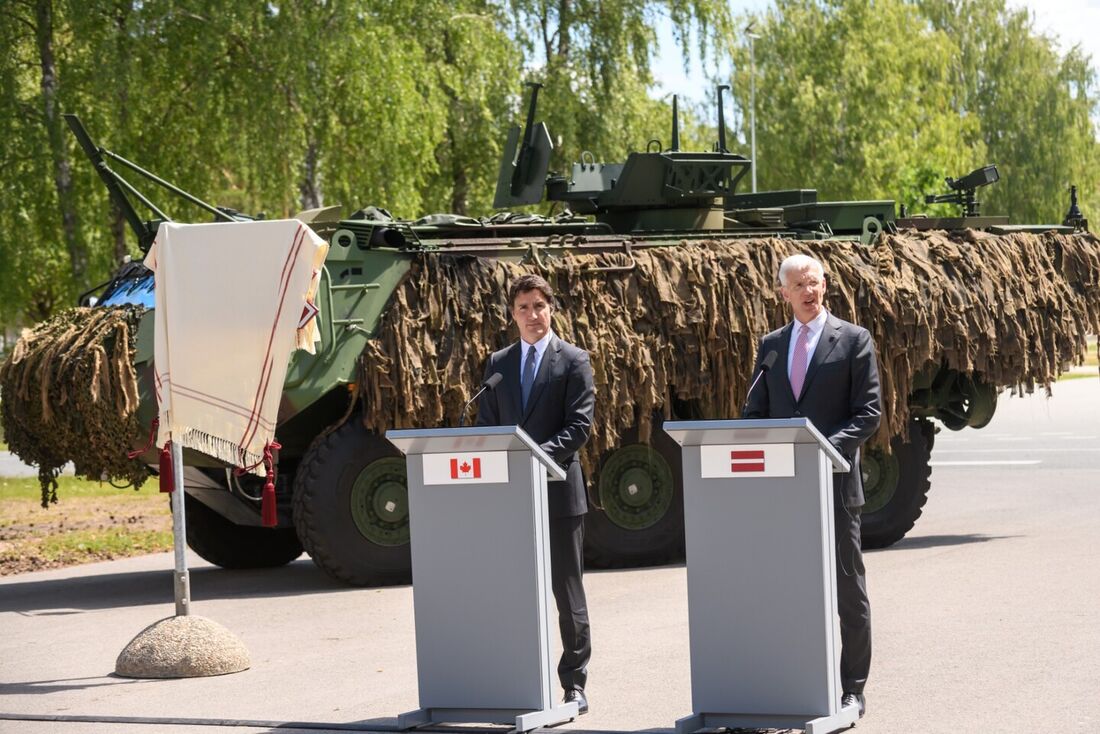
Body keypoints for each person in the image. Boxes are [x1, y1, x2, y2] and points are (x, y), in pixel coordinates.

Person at [743, 253, 881, 719]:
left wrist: (820, 449)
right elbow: (756, 411)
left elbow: (868, 413)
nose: (809, 291)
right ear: (783, 292)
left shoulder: (853, 340)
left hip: (836, 486)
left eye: (815, 282)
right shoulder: (773, 346)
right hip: (785, 491)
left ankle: (852, 688)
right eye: (799, 285)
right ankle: (796, 685)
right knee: (787, 590)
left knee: (848, 590)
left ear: (825, 285)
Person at [476, 273, 595, 714]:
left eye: (539, 306)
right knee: (514, 591)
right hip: (512, 498)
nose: (532, 315)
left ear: (552, 309)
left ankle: (575, 684)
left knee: (567, 594)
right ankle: (519, 680)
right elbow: (488, 425)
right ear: (512, 314)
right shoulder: (498, 364)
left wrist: (534, 457)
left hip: (558, 493)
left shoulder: (573, 360)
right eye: (523, 308)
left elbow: (580, 426)